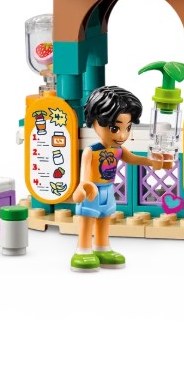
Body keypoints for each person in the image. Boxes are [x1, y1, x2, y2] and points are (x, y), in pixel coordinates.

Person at [71, 85, 170, 272]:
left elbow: (133, 159)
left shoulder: (118, 149)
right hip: (93, 191)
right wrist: (83, 186)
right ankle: (82, 250)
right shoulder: (91, 151)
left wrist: (152, 162)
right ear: (94, 122)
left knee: (104, 219)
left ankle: (102, 248)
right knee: (87, 221)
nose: (122, 135)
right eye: (115, 128)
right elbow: (84, 174)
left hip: (108, 190)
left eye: (128, 127)